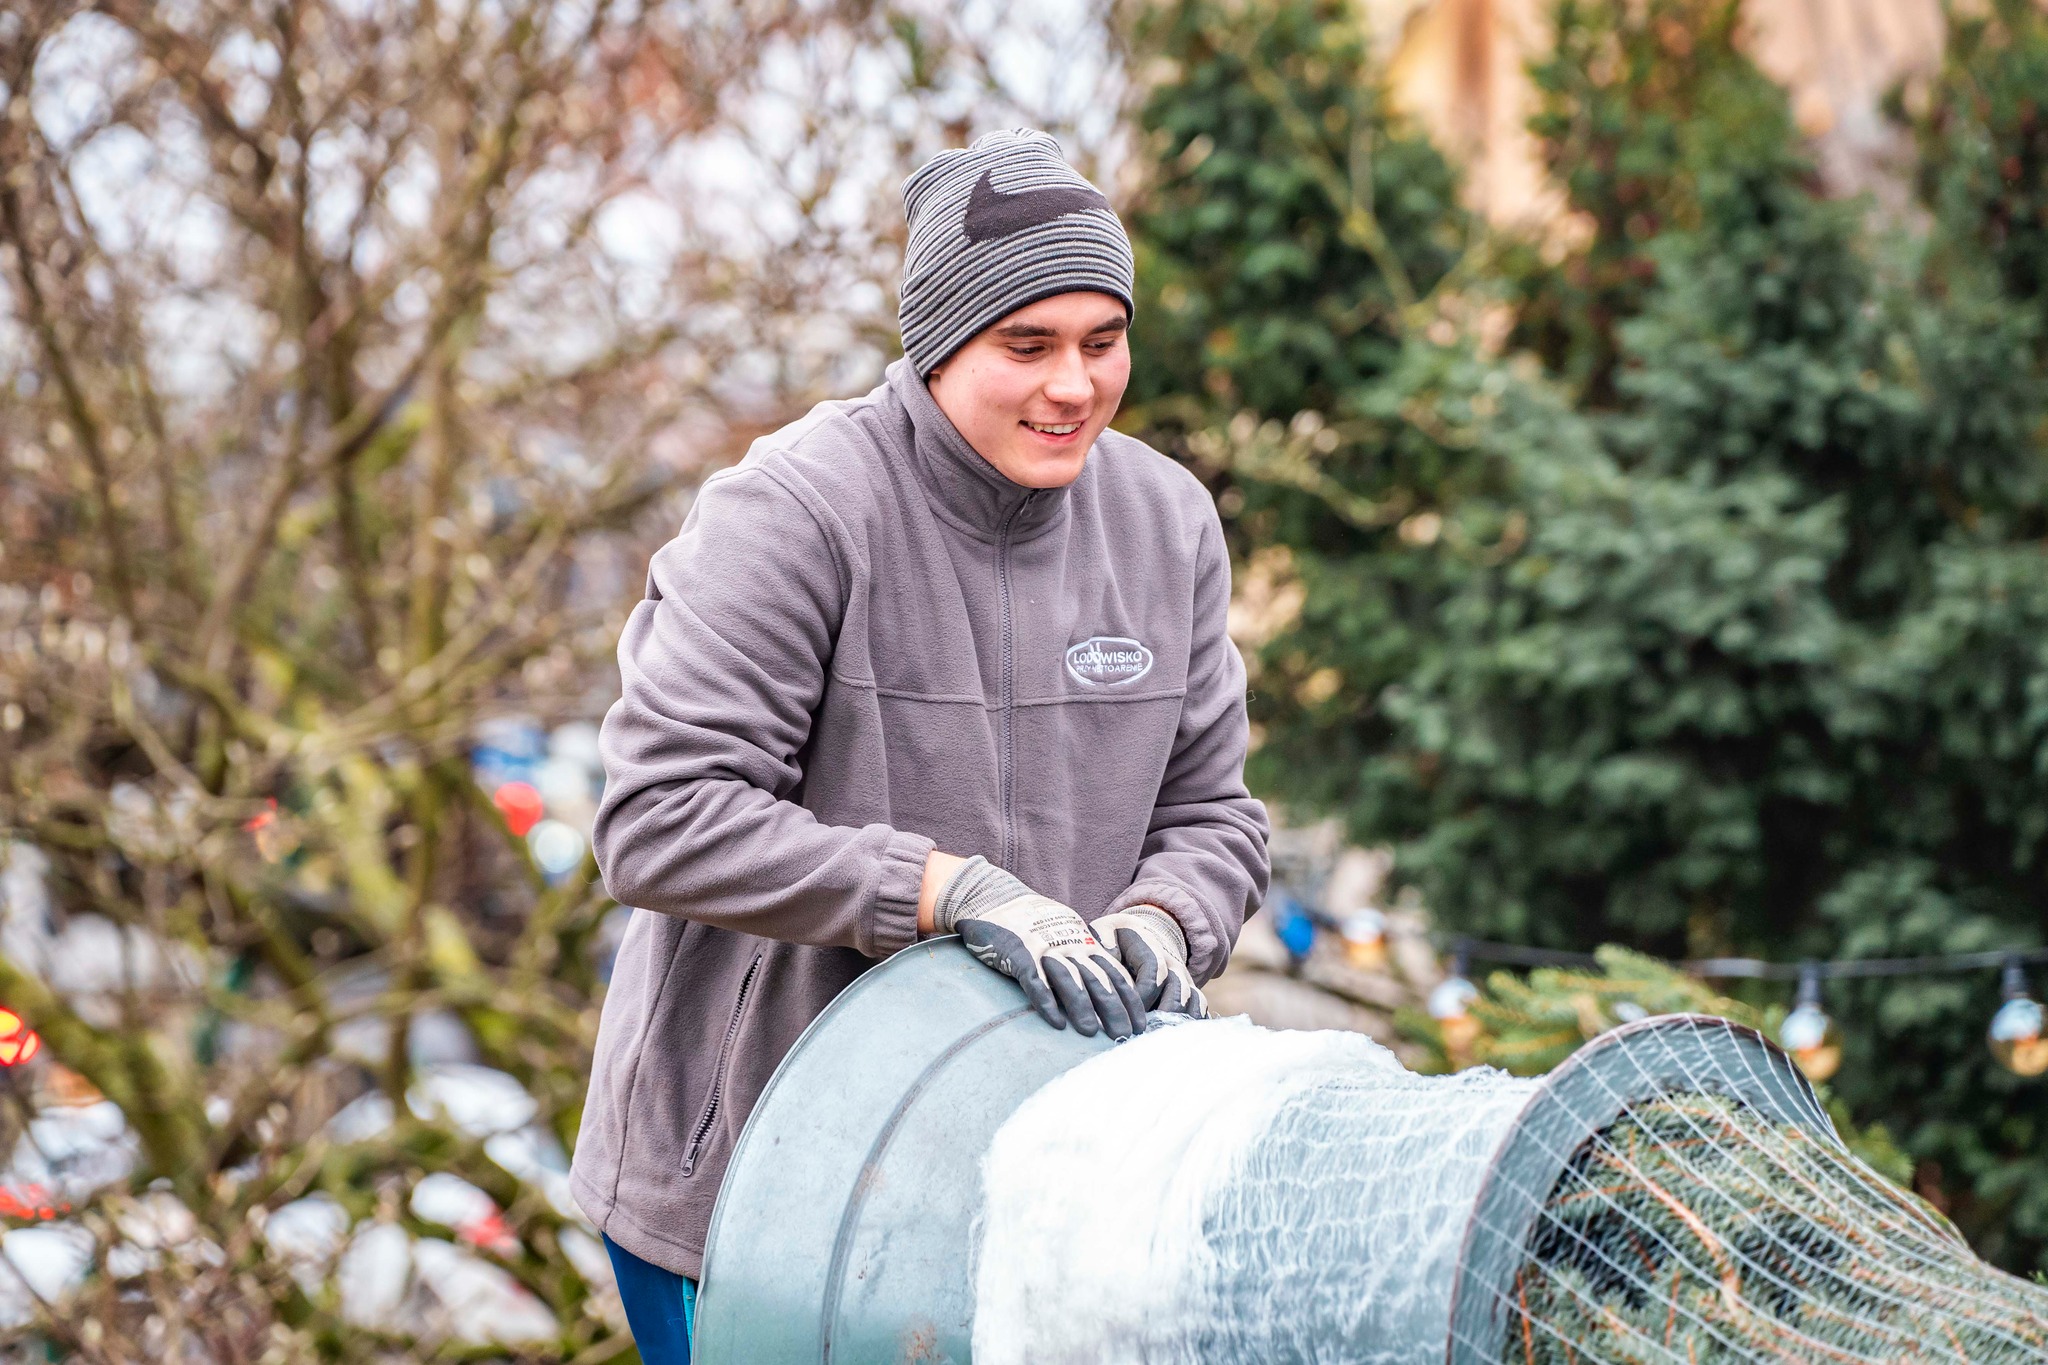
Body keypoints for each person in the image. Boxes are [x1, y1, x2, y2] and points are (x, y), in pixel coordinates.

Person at [569, 128, 1271, 1364]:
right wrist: (945, 894)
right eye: (1028, 347)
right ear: (941, 342)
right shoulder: (792, 512)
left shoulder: (1165, 523)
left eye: (1101, 344)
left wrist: (1165, 919)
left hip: (1035, 1187)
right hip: (748, 1180)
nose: (1074, 387)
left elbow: (1214, 815)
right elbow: (659, 819)